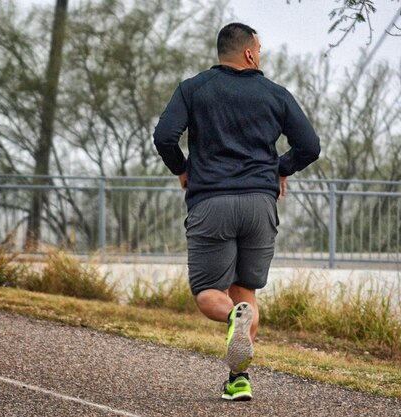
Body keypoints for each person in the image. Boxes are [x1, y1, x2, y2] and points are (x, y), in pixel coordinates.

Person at [153, 22, 320, 401]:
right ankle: (239, 380)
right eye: (259, 49)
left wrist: (183, 168)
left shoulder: (193, 89)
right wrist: (280, 168)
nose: (260, 56)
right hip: (260, 204)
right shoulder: (275, 94)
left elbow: (164, 136)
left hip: (211, 202)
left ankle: (232, 320)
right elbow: (309, 145)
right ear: (248, 52)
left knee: (208, 292)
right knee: (246, 295)